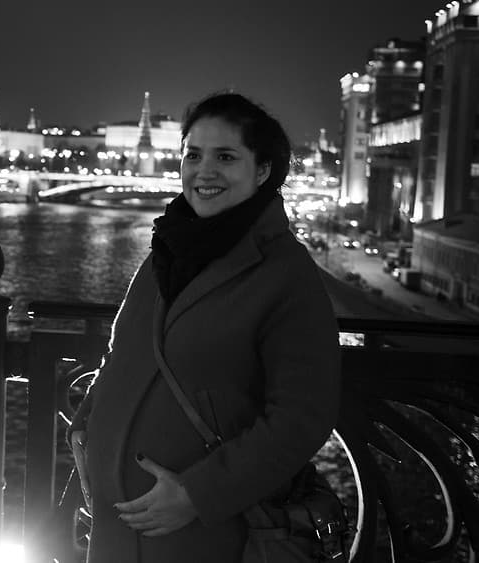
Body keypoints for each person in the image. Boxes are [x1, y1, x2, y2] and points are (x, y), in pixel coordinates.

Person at [68, 92, 341, 562]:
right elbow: (122, 355)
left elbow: (303, 416)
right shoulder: (166, 251)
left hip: (206, 536)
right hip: (114, 532)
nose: (204, 170)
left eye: (226, 156)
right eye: (193, 154)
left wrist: (198, 494)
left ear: (262, 171)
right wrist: (87, 428)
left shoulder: (284, 271)